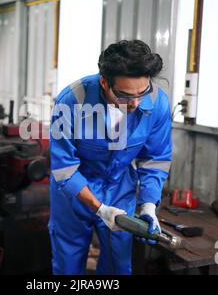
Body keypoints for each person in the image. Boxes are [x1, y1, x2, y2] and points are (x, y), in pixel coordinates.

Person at [49, 40, 172, 274]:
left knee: (118, 265)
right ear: (105, 83)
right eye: (125, 96)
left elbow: (155, 159)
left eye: (142, 93)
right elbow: (64, 168)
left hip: (119, 188)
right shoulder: (72, 101)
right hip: (73, 191)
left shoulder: (157, 103)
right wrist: (99, 208)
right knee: (68, 265)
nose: (136, 103)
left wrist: (148, 205)